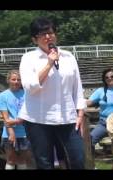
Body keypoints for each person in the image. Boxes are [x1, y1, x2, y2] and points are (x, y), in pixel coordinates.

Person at [18, 17, 86, 169]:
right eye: (42, 34)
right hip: (38, 119)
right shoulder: (28, 58)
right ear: (34, 39)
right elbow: (30, 87)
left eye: (50, 32)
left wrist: (80, 113)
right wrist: (49, 64)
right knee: (44, 162)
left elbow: (77, 87)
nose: (48, 37)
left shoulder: (68, 57)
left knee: (78, 158)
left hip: (68, 117)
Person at [0, 70, 33, 170]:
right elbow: (5, 117)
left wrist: (17, 121)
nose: (16, 81)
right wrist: (11, 132)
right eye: (13, 79)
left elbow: (30, 114)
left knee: (22, 160)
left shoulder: (27, 94)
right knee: (11, 160)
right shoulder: (2, 96)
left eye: (19, 80)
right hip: (8, 133)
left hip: (25, 133)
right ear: (8, 80)